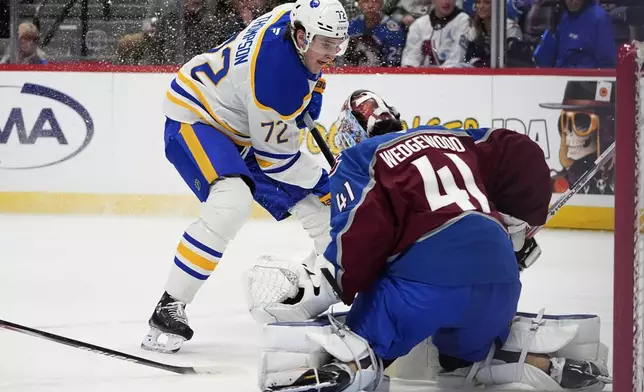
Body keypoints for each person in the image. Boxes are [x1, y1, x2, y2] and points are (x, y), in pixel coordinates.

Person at [247, 90, 612, 391]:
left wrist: (323, 288)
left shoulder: (360, 159)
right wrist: (515, 231)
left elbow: (360, 242)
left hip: (425, 289)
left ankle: (345, 372)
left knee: (363, 341)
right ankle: (545, 365)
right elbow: (524, 153)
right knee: (461, 362)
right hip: (500, 283)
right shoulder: (453, 139)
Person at [141, 0, 350, 354]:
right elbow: (277, 162)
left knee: (320, 210)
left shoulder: (292, 16)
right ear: (300, 37)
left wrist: (310, 90)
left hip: (245, 123)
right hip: (198, 115)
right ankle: (169, 305)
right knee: (232, 200)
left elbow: (290, 90)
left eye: (337, 44)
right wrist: (324, 180)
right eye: (325, 44)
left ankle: (321, 289)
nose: (332, 53)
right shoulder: (276, 79)